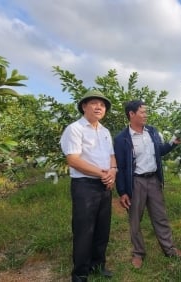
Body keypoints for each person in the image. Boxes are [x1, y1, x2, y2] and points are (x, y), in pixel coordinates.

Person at [114, 100, 181, 269]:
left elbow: (159, 152)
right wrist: (122, 192)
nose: (146, 115)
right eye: (142, 112)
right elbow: (119, 166)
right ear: (131, 114)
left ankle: (169, 250)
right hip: (135, 182)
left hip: (153, 180)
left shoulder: (152, 132)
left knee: (160, 216)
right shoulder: (121, 139)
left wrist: (172, 144)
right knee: (135, 219)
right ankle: (138, 253)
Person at [60, 90, 117, 282]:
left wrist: (113, 171)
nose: (99, 107)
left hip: (104, 185)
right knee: (84, 230)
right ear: (84, 106)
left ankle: (97, 265)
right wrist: (102, 174)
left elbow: (111, 156)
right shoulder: (75, 129)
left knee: (102, 228)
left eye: (102, 104)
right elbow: (73, 160)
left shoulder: (105, 131)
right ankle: (80, 274)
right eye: (94, 103)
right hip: (84, 185)